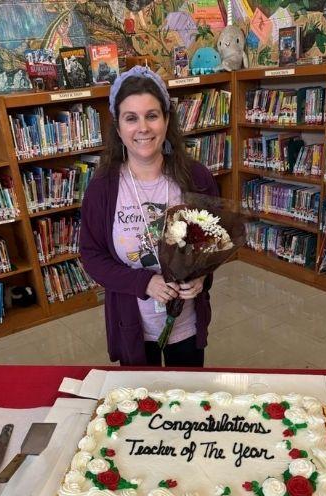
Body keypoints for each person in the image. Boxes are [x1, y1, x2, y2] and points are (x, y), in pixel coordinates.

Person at [80, 66, 223, 367]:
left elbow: (213, 243)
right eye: (131, 118)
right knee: (141, 403)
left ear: (166, 120)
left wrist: (201, 278)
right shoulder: (103, 189)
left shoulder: (196, 178)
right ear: (118, 128)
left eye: (152, 115)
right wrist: (144, 283)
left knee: (185, 400)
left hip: (186, 323)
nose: (142, 127)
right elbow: (92, 257)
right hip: (133, 326)